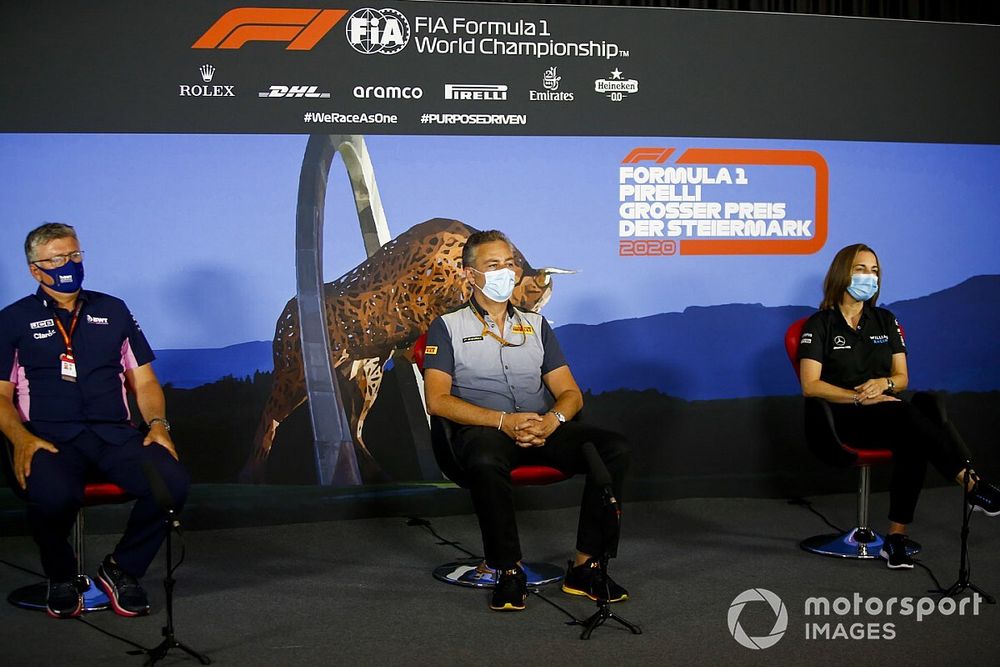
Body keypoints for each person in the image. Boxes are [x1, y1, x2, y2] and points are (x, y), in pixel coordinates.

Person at [423, 230, 630, 611]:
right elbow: (437, 401)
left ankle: (586, 567)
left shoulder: (537, 326)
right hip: (486, 432)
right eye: (493, 265)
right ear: (470, 275)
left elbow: (570, 393)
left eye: (509, 263)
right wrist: (503, 421)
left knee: (613, 448)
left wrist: (552, 420)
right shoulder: (447, 327)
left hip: (542, 429)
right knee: (485, 458)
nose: (506, 272)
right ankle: (509, 570)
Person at [0, 223, 190, 618]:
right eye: (56, 259)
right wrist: (19, 438)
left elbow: (146, 381)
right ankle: (62, 575)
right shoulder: (13, 319)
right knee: (53, 496)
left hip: (114, 434)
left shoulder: (113, 309)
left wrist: (157, 424)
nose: (68, 265)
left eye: (74, 255)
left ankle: (121, 570)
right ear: (36, 269)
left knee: (171, 482)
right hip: (48, 438)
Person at [797, 243, 998, 569]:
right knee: (908, 418)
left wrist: (883, 385)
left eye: (874, 271)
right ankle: (972, 484)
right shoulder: (819, 324)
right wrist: (861, 396)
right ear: (842, 273)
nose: (869, 277)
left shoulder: (886, 320)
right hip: (841, 417)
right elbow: (810, 385)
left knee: (923, 415)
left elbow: (901, 378)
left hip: (888, 412)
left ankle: (896, 540)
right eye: (861, 269)